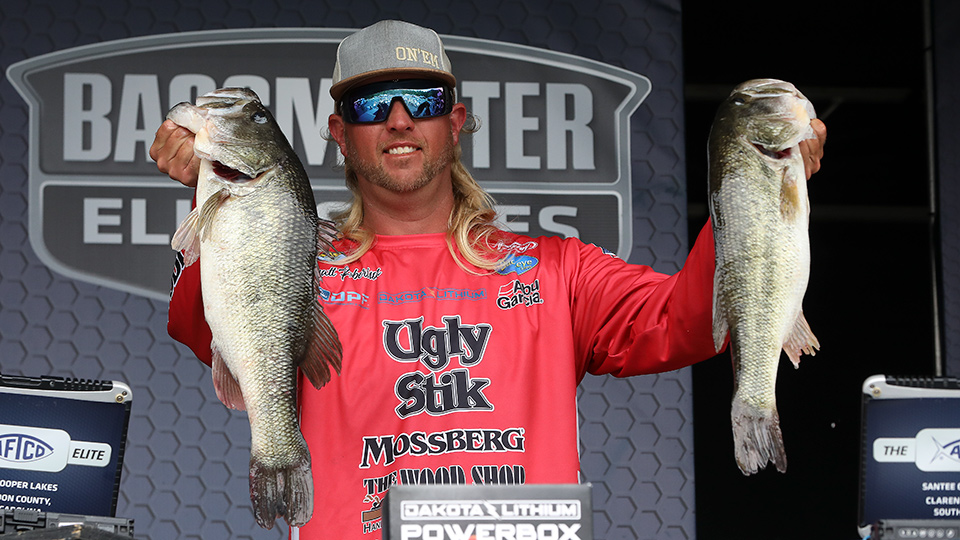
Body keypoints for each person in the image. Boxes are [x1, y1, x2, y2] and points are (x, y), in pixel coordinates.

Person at [150, 20, 826, 540]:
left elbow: (684, 320)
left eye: (423, 99)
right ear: (339, 131)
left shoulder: (557, 269)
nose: (399, 118)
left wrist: (758, 188)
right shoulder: (300, 270)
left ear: (456, 121)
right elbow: (199, 325)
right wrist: (215, 196)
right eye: (371, 103)